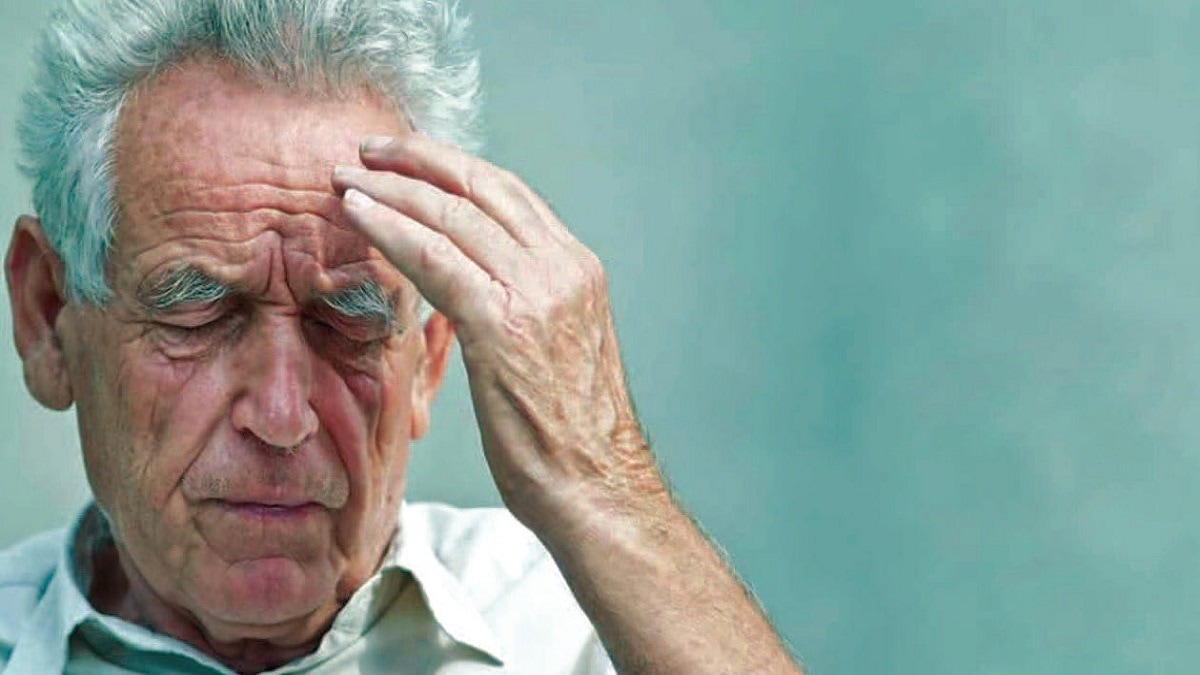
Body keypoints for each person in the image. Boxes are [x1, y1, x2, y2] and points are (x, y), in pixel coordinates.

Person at [0, 0, 801, 673]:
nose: (281, 416)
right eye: (200, 315)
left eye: (349, 323)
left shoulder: (582, 629)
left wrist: (598, 478)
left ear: (431, 354)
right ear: (47, 316)